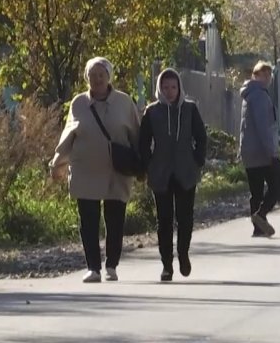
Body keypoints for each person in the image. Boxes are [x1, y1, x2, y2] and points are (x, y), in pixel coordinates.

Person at [50, 57, 140, 283]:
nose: (97, 79)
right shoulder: (78, 103)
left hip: (116, 168)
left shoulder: (124, 102)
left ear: (109, 76)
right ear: (86, 78)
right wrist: (57, 163)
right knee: (88, 220)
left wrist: (142, 165)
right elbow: (68, 135)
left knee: (115, 218)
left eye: (101, 74)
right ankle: (93, 267)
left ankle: (111, 264)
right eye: (93, 75)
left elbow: (136, 135)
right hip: (85, 168)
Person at [139, 68, 208, 282]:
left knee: (185, 218)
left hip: (186, 171)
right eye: (165, 87)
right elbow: (143, 142)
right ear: (159, 88)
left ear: (179, 88)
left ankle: (183, 254)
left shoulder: (189, 109)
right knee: (164, 220)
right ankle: (166, 265)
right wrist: (148, 164)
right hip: (161, 173)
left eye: (173, 87)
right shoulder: (152, 112)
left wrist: (197, 160)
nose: (169, 92)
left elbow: (201, 137)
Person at [239, 61, 280, 237]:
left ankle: (258, 228)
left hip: (248, 151)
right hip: (261, 151)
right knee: (277, 186)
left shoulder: (248, 95)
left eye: (269, 75)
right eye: (264, 75)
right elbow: (263, 127)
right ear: (255, 76)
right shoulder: (260, 96)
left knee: (256, 191)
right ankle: (261, 215)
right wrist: (271, 151)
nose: (268, 78)